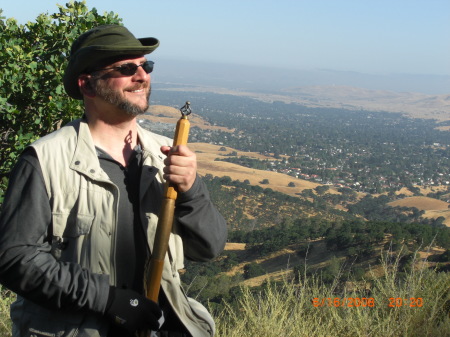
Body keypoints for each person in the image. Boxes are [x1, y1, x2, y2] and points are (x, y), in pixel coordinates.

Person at [0, 24, 227, 337]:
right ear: (88, 85)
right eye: (125, 68)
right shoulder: (45, 160)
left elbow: (210, 247)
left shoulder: (163, 154)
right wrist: (107, 300)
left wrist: (192, 191)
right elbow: (15, 258)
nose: (142, 75)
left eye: (145, 65)